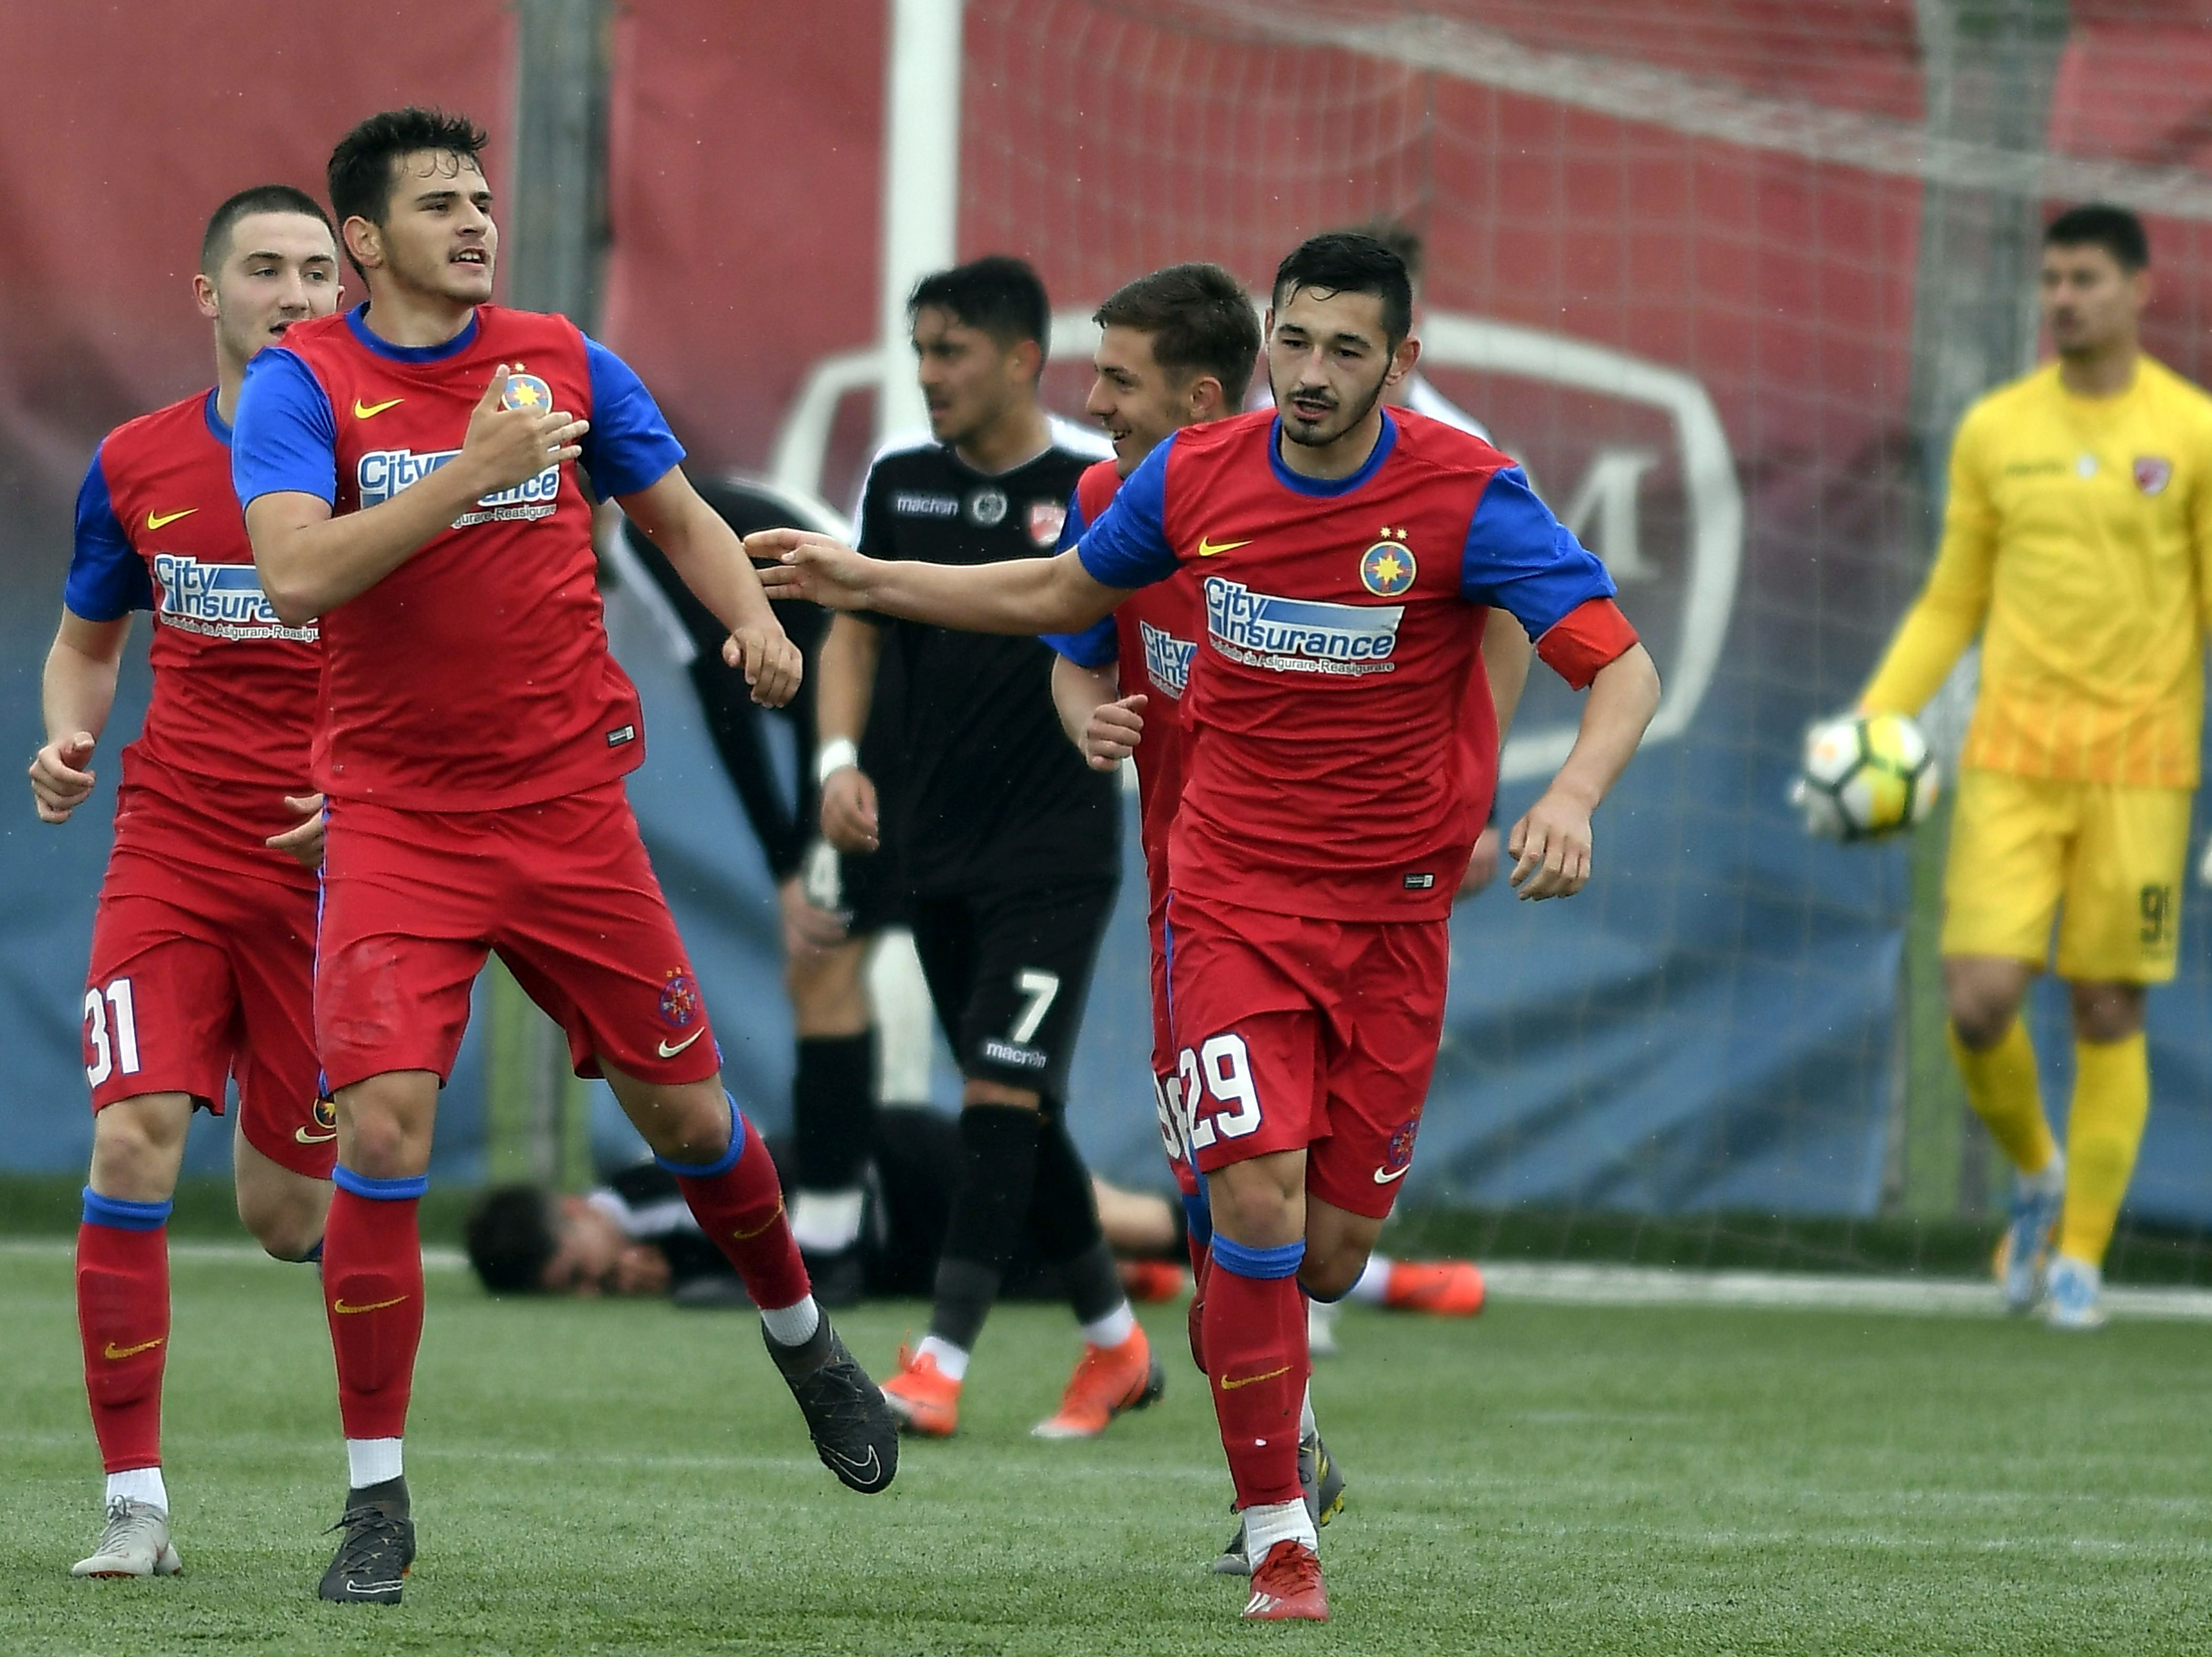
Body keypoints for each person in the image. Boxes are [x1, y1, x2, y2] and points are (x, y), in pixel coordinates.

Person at [753, 230, 1661, 1623]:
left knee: (1332, 1252)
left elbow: (1616, 662)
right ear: (1264, 343)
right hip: (1223, 895)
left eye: (1345, 349)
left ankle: (1264, 1397)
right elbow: (1064, 604)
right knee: (1249, 1200)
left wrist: (1571, 800)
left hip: (1396, 916)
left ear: (1398, 365)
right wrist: (865, 578)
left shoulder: (1465, 497)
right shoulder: (1184, 479)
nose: (1310, 372)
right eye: (1294, 340)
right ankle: (1277, 1529)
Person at [229, 108, 894, 1604]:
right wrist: (472, 470)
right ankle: (377, 1500)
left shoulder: (565, 356)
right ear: (364, 240)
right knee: (386, 1127)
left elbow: (677, 513)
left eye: (480, 197)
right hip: (397, 819)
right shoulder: (302, 381)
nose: (473, 220)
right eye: (437, 203)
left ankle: (806, 1343)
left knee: (689, 1116)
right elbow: (291, 570)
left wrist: (755, 620)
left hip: (565, 813)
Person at [28, 186, 345, 1582]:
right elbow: (88, 638)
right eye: (264, 268)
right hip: (170, 845)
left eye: (318, 271)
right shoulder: (137, 459)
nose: (293, 291)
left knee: (289, 1219)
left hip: (338, 871)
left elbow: (462, 662)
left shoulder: (398, 465)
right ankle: (133, 1506)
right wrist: (66, 728)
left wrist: (379, 788)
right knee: (131, 1140)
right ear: (205, 293)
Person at [816, 254, 1154, 1443]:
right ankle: (1115, 1347)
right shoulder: (900, 485)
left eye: (950, 351)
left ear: (1021, 359)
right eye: (918, 351)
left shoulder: (1099, 490)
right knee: (1019, 1103)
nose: (927, 376)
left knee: (1001, 1086)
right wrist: (838, 760)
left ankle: (940, 1359)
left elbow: (1107, 637)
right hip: (930, 846)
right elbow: (854, 633)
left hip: (1057, 852)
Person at [1856, 204, 2212, 1331]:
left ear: (2138, 290)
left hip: (2143, 769)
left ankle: (2082, 1260)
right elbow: (1954, 596)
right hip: (2010, 761)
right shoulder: (1997, 429)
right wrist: (1874, 722)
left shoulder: (2193, 431)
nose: (2063, 297)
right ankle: (2036, 1176)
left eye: (2086, 279)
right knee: (1978, 1000)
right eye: (2051, 278)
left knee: (2110, 1004)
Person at [605, 477, 909, 1304]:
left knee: (825, 970)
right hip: (884, 714)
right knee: (845, 974)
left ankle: (834, 1239)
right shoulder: (704, 497)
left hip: (884, 720)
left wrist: (786, 862)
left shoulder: (638, 528)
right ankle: (840, 1230)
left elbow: (723, 692)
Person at [461, 1109, 1198, 1304]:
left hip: (906, 1181)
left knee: (1107, 1219)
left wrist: (684, 1279)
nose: (601, 1286)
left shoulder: (644, 1204)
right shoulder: (639, 1225)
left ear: (576, 1212)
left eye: (583, 1272)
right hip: (897, 1237)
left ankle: (1269, 1257)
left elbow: (754, 1218)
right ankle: (1207, 1265)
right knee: (1076, 1257)